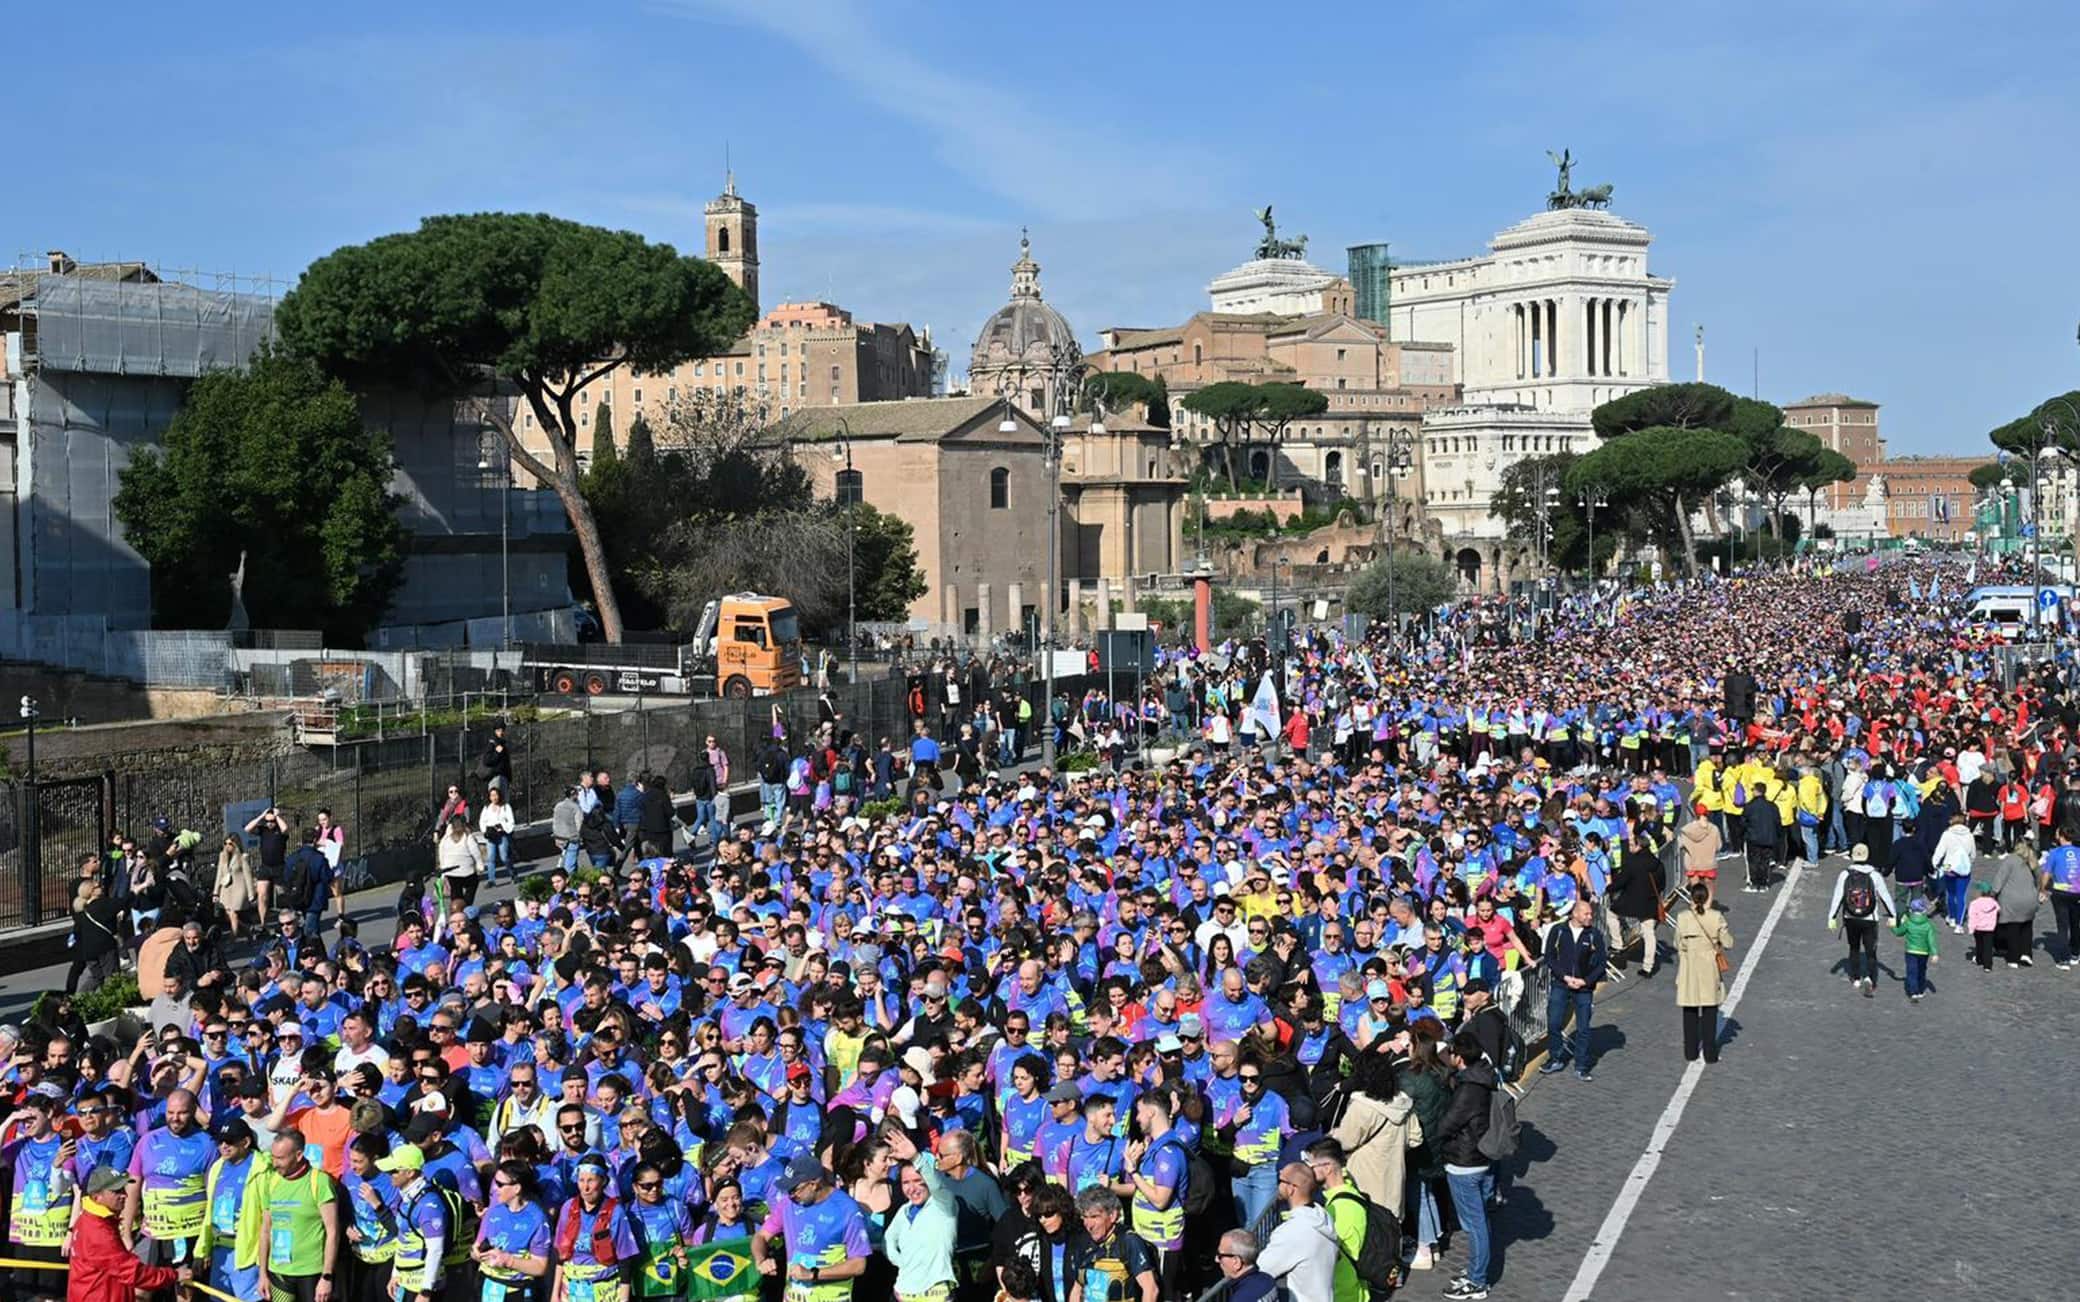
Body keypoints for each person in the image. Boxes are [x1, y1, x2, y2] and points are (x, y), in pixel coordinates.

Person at [1432, 1033, 1498, 1302]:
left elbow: (1448, 1124)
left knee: (1474, 1224)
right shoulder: (1483, 1078)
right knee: (1479, 1219)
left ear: (1459, 1057)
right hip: (1479, 1158)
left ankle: (1477, 1279)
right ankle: (1475, 1270)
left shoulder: (1468, 1088)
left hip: (1464, 1161)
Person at [752, 1154, 870, 1299]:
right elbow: (761, 1236)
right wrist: (760, 1260)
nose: (790, 1195)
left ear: (814, 1184)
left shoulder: (847, 1209)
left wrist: (813, 1274)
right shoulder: (787, 1204)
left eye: (795, 1189)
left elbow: (859, 1264)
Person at [68, 1166, 192, 1302]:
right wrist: (174, 1275)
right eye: (116, 1191)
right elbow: (133, 1273)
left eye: (123, 1189)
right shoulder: (98, 1231)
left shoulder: (90, 1218)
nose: (124, 1195)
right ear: (97, 1197)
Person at [254, 1128, 342, 1302]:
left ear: (299, 1155)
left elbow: (333, 1232)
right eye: (273, 1157)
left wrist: (327, 1277)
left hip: (311, 1274)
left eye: (280, 1158)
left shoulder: (319, 1181)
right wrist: (262, 1273)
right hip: (279, 1273)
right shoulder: (271, 1181)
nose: (275, 1163)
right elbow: (265, 1230)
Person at [882, 1127, 959, 1302]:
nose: (912, 1188)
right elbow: (887, 1241)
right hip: (903, 1293)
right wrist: (905, 1264)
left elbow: (937, 1185)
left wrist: (916, 1158)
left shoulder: (944, 1204)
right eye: (906, 1183)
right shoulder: (904, 1211)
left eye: (918, 1181)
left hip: (936, 1294)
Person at [1538, 899, 1609, 1081]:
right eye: (1586, 913)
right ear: (1575, 914)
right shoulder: (1559, 931)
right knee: (1554, 1022)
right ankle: (1555, 1057)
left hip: (1584, 988)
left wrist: (1585, 981)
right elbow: (1550, 957)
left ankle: (1581, 1064)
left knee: (1583, 1027)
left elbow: (1602, 963)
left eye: (1590, 914)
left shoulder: (1594, 934)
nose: (1589, 916)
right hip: (1561, 984)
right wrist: (1565, 977)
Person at [1254, 1163, 1338, 1302]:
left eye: (1280, 1180)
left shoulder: (1292, 1231)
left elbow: (1260, 1270)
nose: (1277, 1185)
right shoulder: (1323, 1218)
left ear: (1292, 1188)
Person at [1672, 883, 1734, 1063]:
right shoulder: (1716, 917)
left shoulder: (1683, 917)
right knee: (1709, 1012)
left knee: (1689, 1012)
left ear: (1691, 897)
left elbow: (1678, 943)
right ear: (1707, 898)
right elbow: (1729, 943)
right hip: (1709, 968)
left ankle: (1690, 1052)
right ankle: (1710, 1054)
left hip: (1689, 967)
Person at [1827, 843, 1897, 996]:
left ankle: (1856, 977)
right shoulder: (1874, 875)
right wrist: (1893, 915)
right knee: (1871, 951)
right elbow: (1885, 897)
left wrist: (1831, 917)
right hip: (1870, 918)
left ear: (1852, 856)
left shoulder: (1845, 875)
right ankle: (1870, 978)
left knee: (1854, 948)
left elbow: (1838, 897)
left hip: (1850, 917)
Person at [1064, 1188, 1156, 1302]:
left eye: (1094, 1217)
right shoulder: (1082, 1241)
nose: (1089, 1225)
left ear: (1112, 1216)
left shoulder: (1129, 1241)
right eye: (1085, 1217)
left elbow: (1151, 1289)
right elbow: (1077, 1289)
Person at [67, 874, 121, 995]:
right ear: (92, 891)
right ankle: (113, 1000)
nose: (101, 887)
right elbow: (121, 902)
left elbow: (78, 932)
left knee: (96, 977)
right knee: (112, 977)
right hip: (104, 947)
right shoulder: (100, 905)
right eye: (98, 886)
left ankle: (80, 998)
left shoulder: (82, 911)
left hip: (88, 951)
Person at [1892, 898, 1940, 1002]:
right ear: (1924, 911)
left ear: (1911, 911)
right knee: (1922, 971)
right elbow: (1931, 940)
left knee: (1911, 971)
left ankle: (1913, 992)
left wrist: (1892, 926)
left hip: (1911, 951)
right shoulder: (1928, 925)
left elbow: (1899, 932)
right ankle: (1921, 990)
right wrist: (1935, 953)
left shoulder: (1908, 922)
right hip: (1924, 952)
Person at [1213, 1229, 1278, 1302]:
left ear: (1236, 1262)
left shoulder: (1241, 1299)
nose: (1216, 1259)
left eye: (1220, 1255)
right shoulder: (1268, 1280)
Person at [214, 836, 256, 937]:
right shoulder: (222, 856)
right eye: (225, 844)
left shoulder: (242, 857)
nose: (227, 846)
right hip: (226, 889)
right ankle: (249, 933)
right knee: (228, 916)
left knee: (233, 914)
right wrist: (216, 891)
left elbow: (248, 875)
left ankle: (233, 938)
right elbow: (219, 874)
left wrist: (251, 893)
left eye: (230, 844)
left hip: (239, 889)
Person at [478, 788, 516, 888]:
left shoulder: (505, 807)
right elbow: (482, 821)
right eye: (492, 795)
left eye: (495, 795)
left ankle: (512, 873)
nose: (494, 798)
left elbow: (511, 821)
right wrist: (485, 831)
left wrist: (503, 826)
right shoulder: (487, 808)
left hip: (502, 834)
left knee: (504, 857)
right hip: (491, 835)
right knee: (491, 858)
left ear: (499, 795)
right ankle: (491, 880)